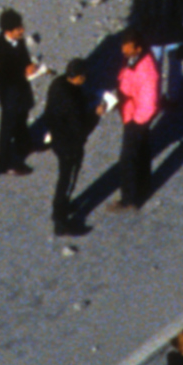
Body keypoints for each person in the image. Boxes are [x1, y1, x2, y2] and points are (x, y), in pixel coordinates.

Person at [40, 54, 104, 235]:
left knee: (64, 178)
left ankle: (61, 210)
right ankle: (60, 219)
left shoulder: (58, 84)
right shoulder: (71, 101)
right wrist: (96, 114)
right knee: (67, 180)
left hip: (58, 138)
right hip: (70, 145)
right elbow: (82, 128)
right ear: (78, 77)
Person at [107, 34, 164, 212]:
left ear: (138, 48)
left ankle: (129, 199)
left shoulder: (147, 70)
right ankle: (143, 186)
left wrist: (136, 120)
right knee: (142, 151)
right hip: (132, 112)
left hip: (136, 116)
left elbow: (150, 101)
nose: (124, 50)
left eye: (128, 47)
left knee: (128, 158)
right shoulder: (133, 59)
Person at [0, 10, 41, 186]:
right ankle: (4, 163)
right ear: (8, 31)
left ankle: (25, 145)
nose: (22, 30)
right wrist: (24, 71)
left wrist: (29, 66)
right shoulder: (0, 48)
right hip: (10, 95)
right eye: (18, 28)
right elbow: (3, 75)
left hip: (21, 91)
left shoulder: (19, 41)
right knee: (7, 128)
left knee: (22, 119)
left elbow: (22, 59)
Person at [127, 0, 183, 105]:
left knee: (154, 69)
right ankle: (173, 97)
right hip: (174, 34)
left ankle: (153, 99)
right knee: (175, 67)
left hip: (152, 36)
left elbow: (137, 13)